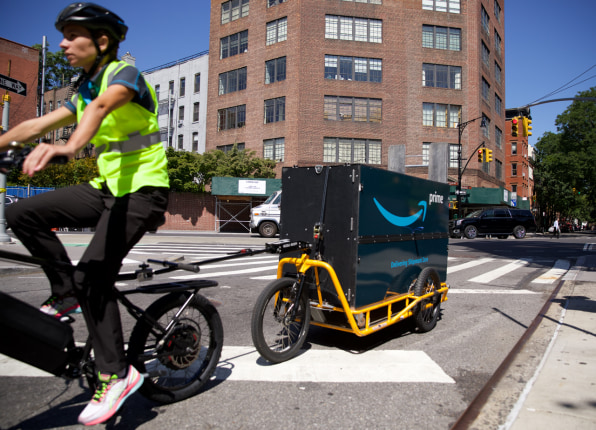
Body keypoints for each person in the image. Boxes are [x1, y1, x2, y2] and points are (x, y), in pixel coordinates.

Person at [0, 3, 169, 425]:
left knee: (94, 276)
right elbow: (36, 125)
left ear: (102, 41)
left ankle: (116, 374)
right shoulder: (86, 87)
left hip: (144, 191)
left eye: (72, 35)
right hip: (107, 190)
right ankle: (65, 292)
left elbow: (99, 109)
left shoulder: (122, 76)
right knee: (21, 213)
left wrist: (69, 147)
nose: (62, 43)